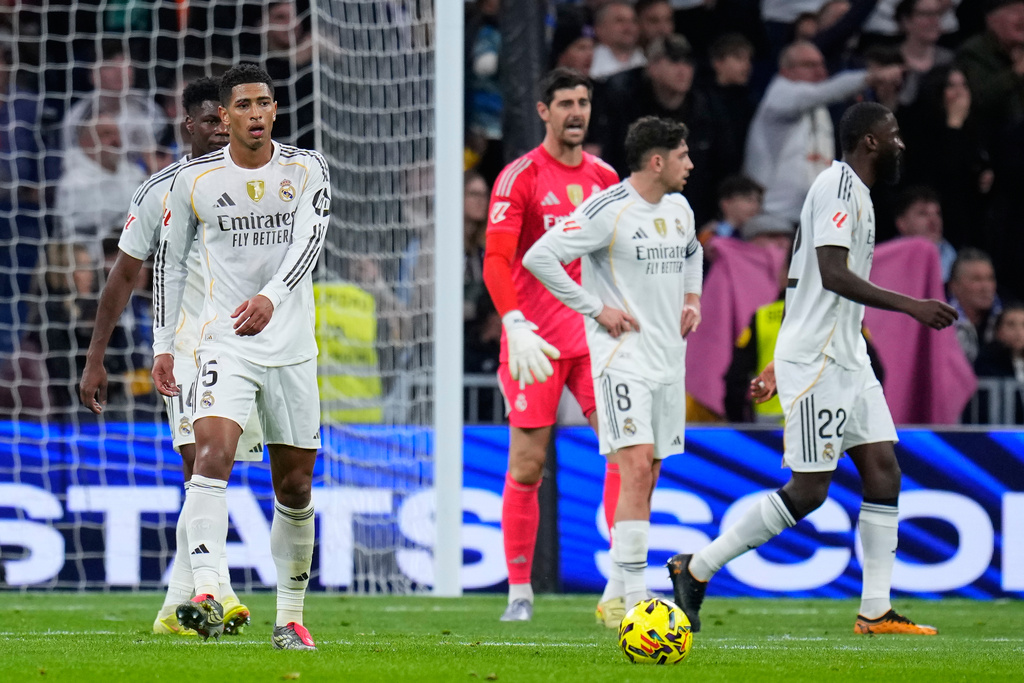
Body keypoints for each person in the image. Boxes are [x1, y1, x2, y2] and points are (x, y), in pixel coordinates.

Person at [668, 101, 957, 636]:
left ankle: (875, 610)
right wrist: (912, 305)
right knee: (809, 491)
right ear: (869, 141)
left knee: (884, 471)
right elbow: (831, 273)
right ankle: (697, 567)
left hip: (844, 355)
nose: (900, 144)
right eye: (892, 134)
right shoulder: (839, 189)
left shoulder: (858, 196)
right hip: (821, 362)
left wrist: (779, 361)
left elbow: (802, 285)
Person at [152, 63, 330, 650]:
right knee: (213, 452)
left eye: (265, 103)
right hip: (222, 340)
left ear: (275, 109)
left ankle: (290, 617)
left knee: (296, 486)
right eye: (244, 105)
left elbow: (309, 243)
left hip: (292, 346)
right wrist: (161, 347)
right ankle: (206, 590)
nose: (256, 113)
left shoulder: (306, 169)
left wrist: (271, 299)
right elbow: (169, 264)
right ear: (222, 116)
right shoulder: (194, 179)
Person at [78, 77, 260, 637]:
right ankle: (216, 592)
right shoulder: (163, 188)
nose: (220, 128)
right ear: (189, 125)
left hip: (247, 348)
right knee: (200, 465)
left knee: (215, 472)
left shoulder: (261, 181)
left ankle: (176, 607)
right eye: (209, 120)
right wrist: (96, 357)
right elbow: (125, 273)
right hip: (185, 349)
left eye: (224, 118)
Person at [523, 115, 702, 615]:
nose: (690, 164)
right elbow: (541, 256)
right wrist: (595, 308)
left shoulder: (680, 208)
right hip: (621, 359)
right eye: (683, 155)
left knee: (651, 470)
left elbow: (694, 253)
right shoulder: (608, 209)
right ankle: (638, 596)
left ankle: (613, 593)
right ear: (657, 161)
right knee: (636, 465)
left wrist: (693, 298)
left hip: (669, 358)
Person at [481, 67, 619, 623]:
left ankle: (621, 582)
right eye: (565, 102)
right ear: (543, 111)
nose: (576, 112)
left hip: (591, 337)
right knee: (528, 464)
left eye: (583, 102)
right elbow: (496, 258)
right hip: (534, 341)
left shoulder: (605, 178)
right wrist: (513, 321)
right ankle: (520, 590)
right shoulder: (520, 177)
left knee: (622, 446)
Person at [743, 40, 903, 224]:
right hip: (774, 214)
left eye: (821, 64)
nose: (820, 71)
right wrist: (870, 77)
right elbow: (827, 91)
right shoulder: (780, 95)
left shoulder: (819, 106)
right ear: (786, 70)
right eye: (810, 65)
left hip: (812, 216)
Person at [948, 247, 1001, 363]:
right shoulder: (940, 324)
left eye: (990, 278)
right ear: (954, 286)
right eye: (977, 279)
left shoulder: (1008, 320)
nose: (986, 287)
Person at [590, 1, 645, 79]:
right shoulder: (589, 62)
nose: (629, 27)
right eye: (620, 21)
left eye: (633, 21)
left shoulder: (646, 62)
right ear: (599, 28)